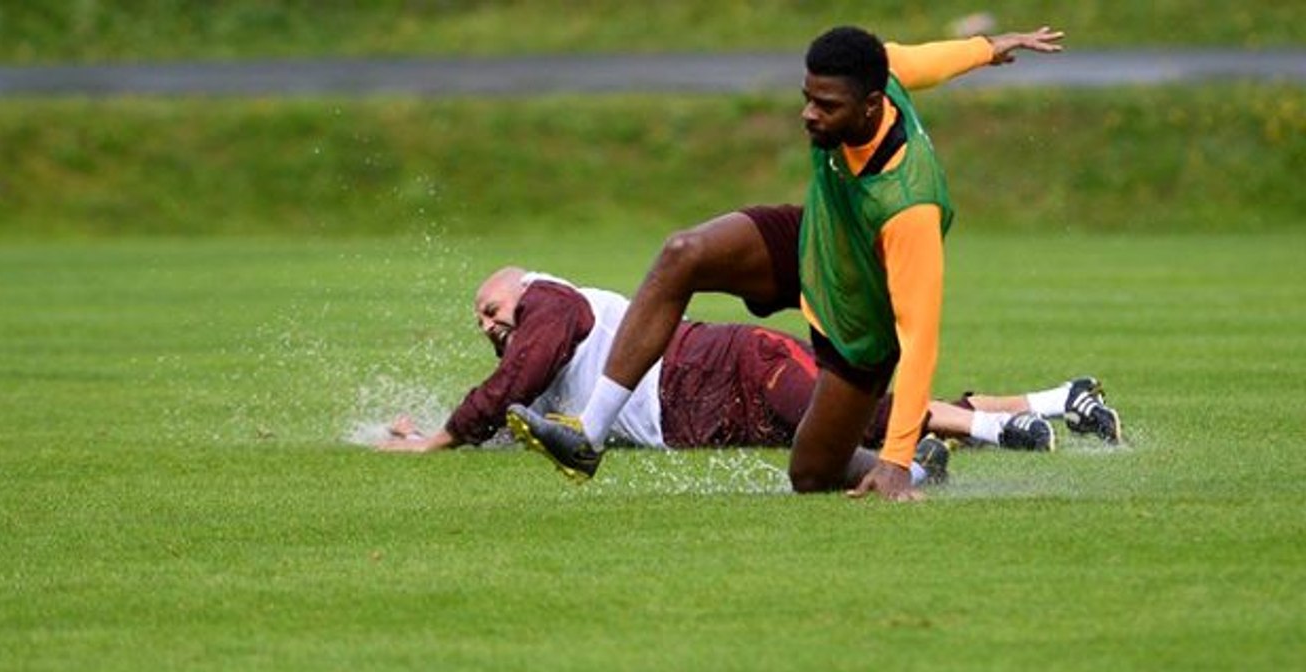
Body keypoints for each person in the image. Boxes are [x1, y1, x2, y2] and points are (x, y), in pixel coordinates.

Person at [507, 25, 1066, 500]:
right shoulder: (877, 72)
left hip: (859, 317)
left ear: (872, 106)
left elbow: (918, 337)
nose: (808, 114)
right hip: (810, 241)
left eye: (827, 106)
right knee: (684, 254)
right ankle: (587, 436)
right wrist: (990, 46)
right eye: (807, 97)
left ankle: (922, 465)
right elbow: (925, 60)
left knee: (812, 474)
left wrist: (895, 462)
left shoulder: (909, 206)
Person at [379, 267, 1121, 479]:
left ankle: (999, 430)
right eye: (480, 321)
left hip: (730, 366)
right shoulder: (533, 344)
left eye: (490, 307)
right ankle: (1061, 399)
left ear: (521, 288)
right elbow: (520, 412)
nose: (489, 323)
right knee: (867, 415)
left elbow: (516, 378)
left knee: (850, 421)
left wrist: (440, 440)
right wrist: (446, 434)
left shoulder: (547, 302)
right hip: (708, 407)